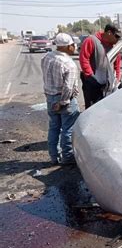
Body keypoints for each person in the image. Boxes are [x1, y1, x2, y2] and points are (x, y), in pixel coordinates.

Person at [41, 33, 80, 165]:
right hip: (64, 100)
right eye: (72, 45)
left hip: (50, 97)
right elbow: (68, 88)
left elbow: (46, 78)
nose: (74, 47)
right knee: (68, 129)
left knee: (54, 128)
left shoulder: (46, 57)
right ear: (67, 47)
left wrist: (53, 99)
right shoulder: (69, 64)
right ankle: (67, 158)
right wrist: (62, 102)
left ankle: (54, 157)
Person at [79, 24, 122, 108]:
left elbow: (117, 66)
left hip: (107, 84)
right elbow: (84, 59)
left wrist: (117, 80)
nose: (118, 39)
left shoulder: (115, 47)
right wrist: (91, 77)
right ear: (109, 33)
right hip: (92, 83)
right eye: (117, 36)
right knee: (92, 109)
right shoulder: (91, 40)